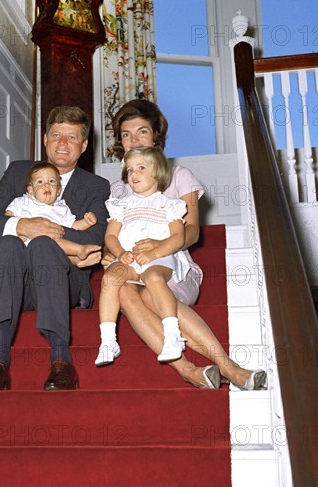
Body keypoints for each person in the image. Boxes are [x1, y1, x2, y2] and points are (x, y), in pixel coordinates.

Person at [104, 99, 266, 390]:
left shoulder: (179, 177)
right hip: (133, 269)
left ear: (156, 136)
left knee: (152, 294)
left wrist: (160, 245)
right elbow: (115, 236)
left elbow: (192, 233)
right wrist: (110, 255)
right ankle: (188, 370)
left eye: (142, 132)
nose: (133, 140)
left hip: (173, 267)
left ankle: (229, 367)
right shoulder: (118, 189)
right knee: (124, 290)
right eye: (126, 135)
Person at [0, 106, 110, 391]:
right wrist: (22, 225)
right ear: (45, 138)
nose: (62, 144)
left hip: (64, 281)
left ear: (83, 146)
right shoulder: (19, 171)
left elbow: (96, 237)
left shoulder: (97, 185)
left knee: (44, 245)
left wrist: (44, 232)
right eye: (56, 135)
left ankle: (61, 361)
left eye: (71, 137)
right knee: (9, 242)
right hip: (18, 283)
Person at [96, 147, 190, 366]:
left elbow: (177, 237)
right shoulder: (122, 205)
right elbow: (110, 236)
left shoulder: (169, 205)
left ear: (157, 172)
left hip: (159, 258)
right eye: (129, 171)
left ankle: (172, 335)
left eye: (140, 168)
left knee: (154, 278)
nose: (133, 174)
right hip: (130, 258)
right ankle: (108, 340)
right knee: (110, 278)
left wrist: (154, 253)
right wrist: (121, 254)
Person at [5, 161, 102, 262]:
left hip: (47, 249)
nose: (46, 185)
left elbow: (73, 226)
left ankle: (79, 250)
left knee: (53, 239)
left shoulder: (61, 208)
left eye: (51, 181)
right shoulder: (22, 201)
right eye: (40, 182)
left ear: (58, 190)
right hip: (22, 245)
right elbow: (7, 218)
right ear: (31, 190)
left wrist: (86, 222)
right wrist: (17, 231)